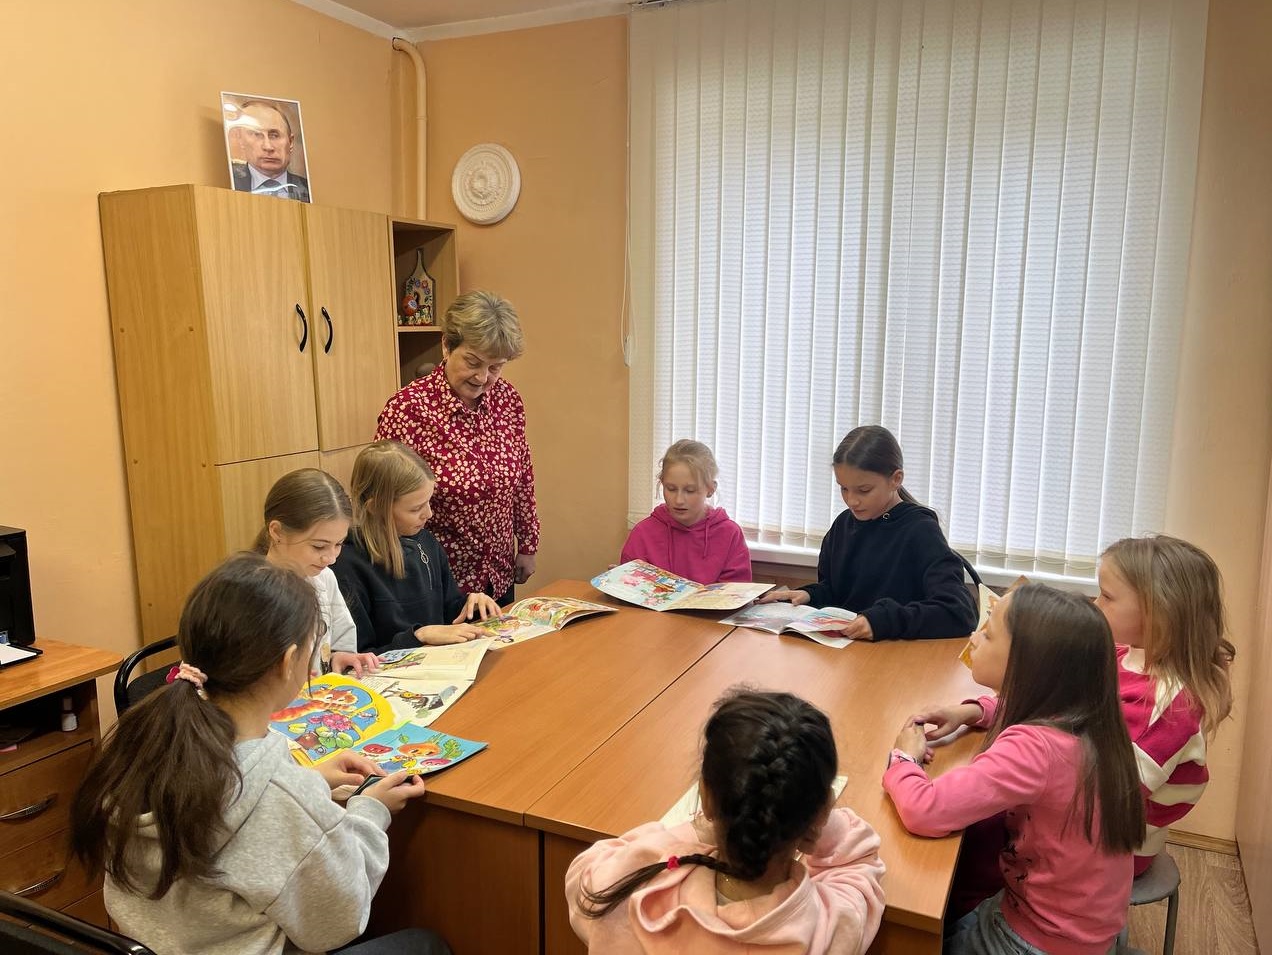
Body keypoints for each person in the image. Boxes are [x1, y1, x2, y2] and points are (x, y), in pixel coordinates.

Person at [69, 553, 445, 955]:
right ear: (288, 662)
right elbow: (338, 921)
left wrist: (311, 780)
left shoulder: (145, 744)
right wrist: (371, 811)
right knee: (427, 944)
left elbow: (229, 800)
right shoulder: (278, 797)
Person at [885, 584, 1144, 955]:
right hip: (1086, 926)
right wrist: (972, 711)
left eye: (988, 634)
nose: (974, 638)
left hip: (1039, 938)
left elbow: (925, 810)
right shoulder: (1091, 718)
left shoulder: (1035, 749)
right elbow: (1024, 704)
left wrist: (904, 758)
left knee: (908, 934)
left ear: (1027, 665)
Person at [566, 689, 885, 954]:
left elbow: (584, 875)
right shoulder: (827, 930)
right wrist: (814, 820)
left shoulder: (637, 890)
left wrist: (693, 830)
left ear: (705, 797)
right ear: (819, 814)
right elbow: (858, 862)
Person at [375, 290, 539, 605]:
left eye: (495, 367)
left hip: (497, 571)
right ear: (447, 346)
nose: (483, 377)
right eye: (473, 362)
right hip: (434, 580)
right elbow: (384, 502)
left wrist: (528, 544)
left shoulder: (508, 400)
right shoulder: (408, 410)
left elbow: (523, 476)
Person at [1096, 535, 1235, 874]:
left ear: (1158, 612)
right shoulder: (1122, 655)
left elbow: (1110, 791)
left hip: (1116, 848)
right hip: (1093, 817)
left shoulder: (1169, 706)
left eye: (1107, 597)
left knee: (987, 828)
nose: (1095, 604)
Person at [759, 425, 977, 640]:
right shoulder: (843, 525)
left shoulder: (921, 531)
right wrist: (811, 595)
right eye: (844, 488)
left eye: (864, 490)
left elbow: (959, 612)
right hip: (849, 651)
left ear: (896, 479)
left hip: (898, 654)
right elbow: (838, 592)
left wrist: (884, 622)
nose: (851, 501)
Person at [333, 440, 502, 654]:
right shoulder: (346, 564)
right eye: (416, 509)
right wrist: (418, 637)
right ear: (375, 507)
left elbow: (449, 613)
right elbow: (358, 656)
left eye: (429, 502)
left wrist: (471, 606)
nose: (429, 514)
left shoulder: (426, 542)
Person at [255, 468, 380, 678]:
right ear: (277, 532)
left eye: (338, 544)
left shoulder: (325, 578)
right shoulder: (248, 593)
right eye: (319, 546)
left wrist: (338, 657)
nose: (331, 558)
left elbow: (339, 642)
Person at [620, 439, 751, 583]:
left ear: (710, 489)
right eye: (671, 489)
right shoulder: (643, 533)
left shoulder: (730, 533)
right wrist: (621, 584)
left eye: (690, 491)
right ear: (662, 484)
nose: (679, 500)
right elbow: (630, 588)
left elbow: (736, 590)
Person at [230, 100, 312, 201]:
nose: (268, 147)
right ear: (241, 140)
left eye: (274, 135)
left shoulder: (308, 190)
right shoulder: (228, 185)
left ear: (290, 142)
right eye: (257, 135)